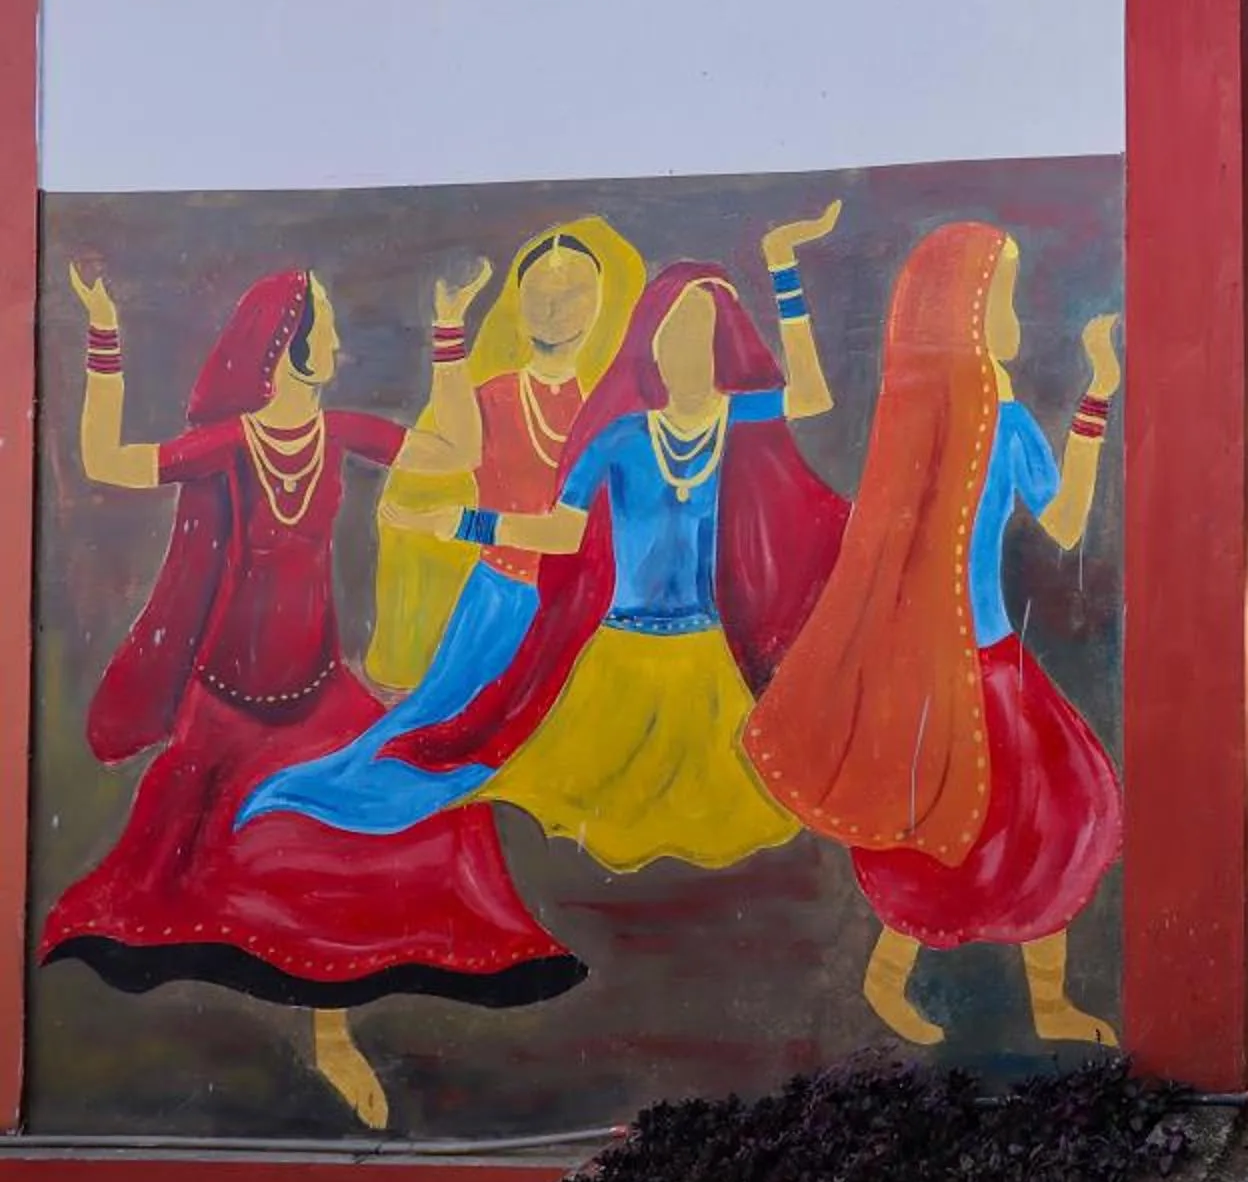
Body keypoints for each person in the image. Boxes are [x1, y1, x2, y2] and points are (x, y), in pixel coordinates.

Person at [40, 264, 583, 1130]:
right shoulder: (230, 443)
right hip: (227, 701)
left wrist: (450, 332)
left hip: (316, 691)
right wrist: (103, 333)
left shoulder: (340, 432)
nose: (337, 342)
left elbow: (453, 452)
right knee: (186, 862)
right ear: (290, 347)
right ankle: (306, 1026)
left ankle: (332, 1033)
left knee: (410, 808)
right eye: (324, 327)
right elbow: (105, 460)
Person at [744, 221, 1123, 1047]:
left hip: (987, 663)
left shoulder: (994, 418)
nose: (1010, 313)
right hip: (937, 671)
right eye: (1002, 294)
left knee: (1044, 818)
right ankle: (887, 978)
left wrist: (1098, 396)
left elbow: (1060, 524)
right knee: (930, 830)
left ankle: (1046, 1000)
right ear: (967, 304)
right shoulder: (919, 417)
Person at [380, 208, 847, 873]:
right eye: (675, 331)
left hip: (707, 662)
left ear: (726, 346)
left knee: (740, 820)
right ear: (649, 342)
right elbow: (561, 533)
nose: (688, 348)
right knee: (578, 817)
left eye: (704, 332)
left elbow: (812, 394)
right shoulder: (621, 437)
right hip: (617, 660)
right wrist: (458, 523)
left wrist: (782, 266)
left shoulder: (741, 422)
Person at [240, 221, 643, 836]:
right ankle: (318, 801)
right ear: (517, 299)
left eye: (575, 289)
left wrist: (456, 522)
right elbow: (454, 447)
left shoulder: (615, 410)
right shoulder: (494, 396)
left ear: (601, 303)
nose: (556, 302)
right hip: (498, 604)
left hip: (579, 611)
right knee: (426, 740)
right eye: (540, 287)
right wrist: (450, 327)